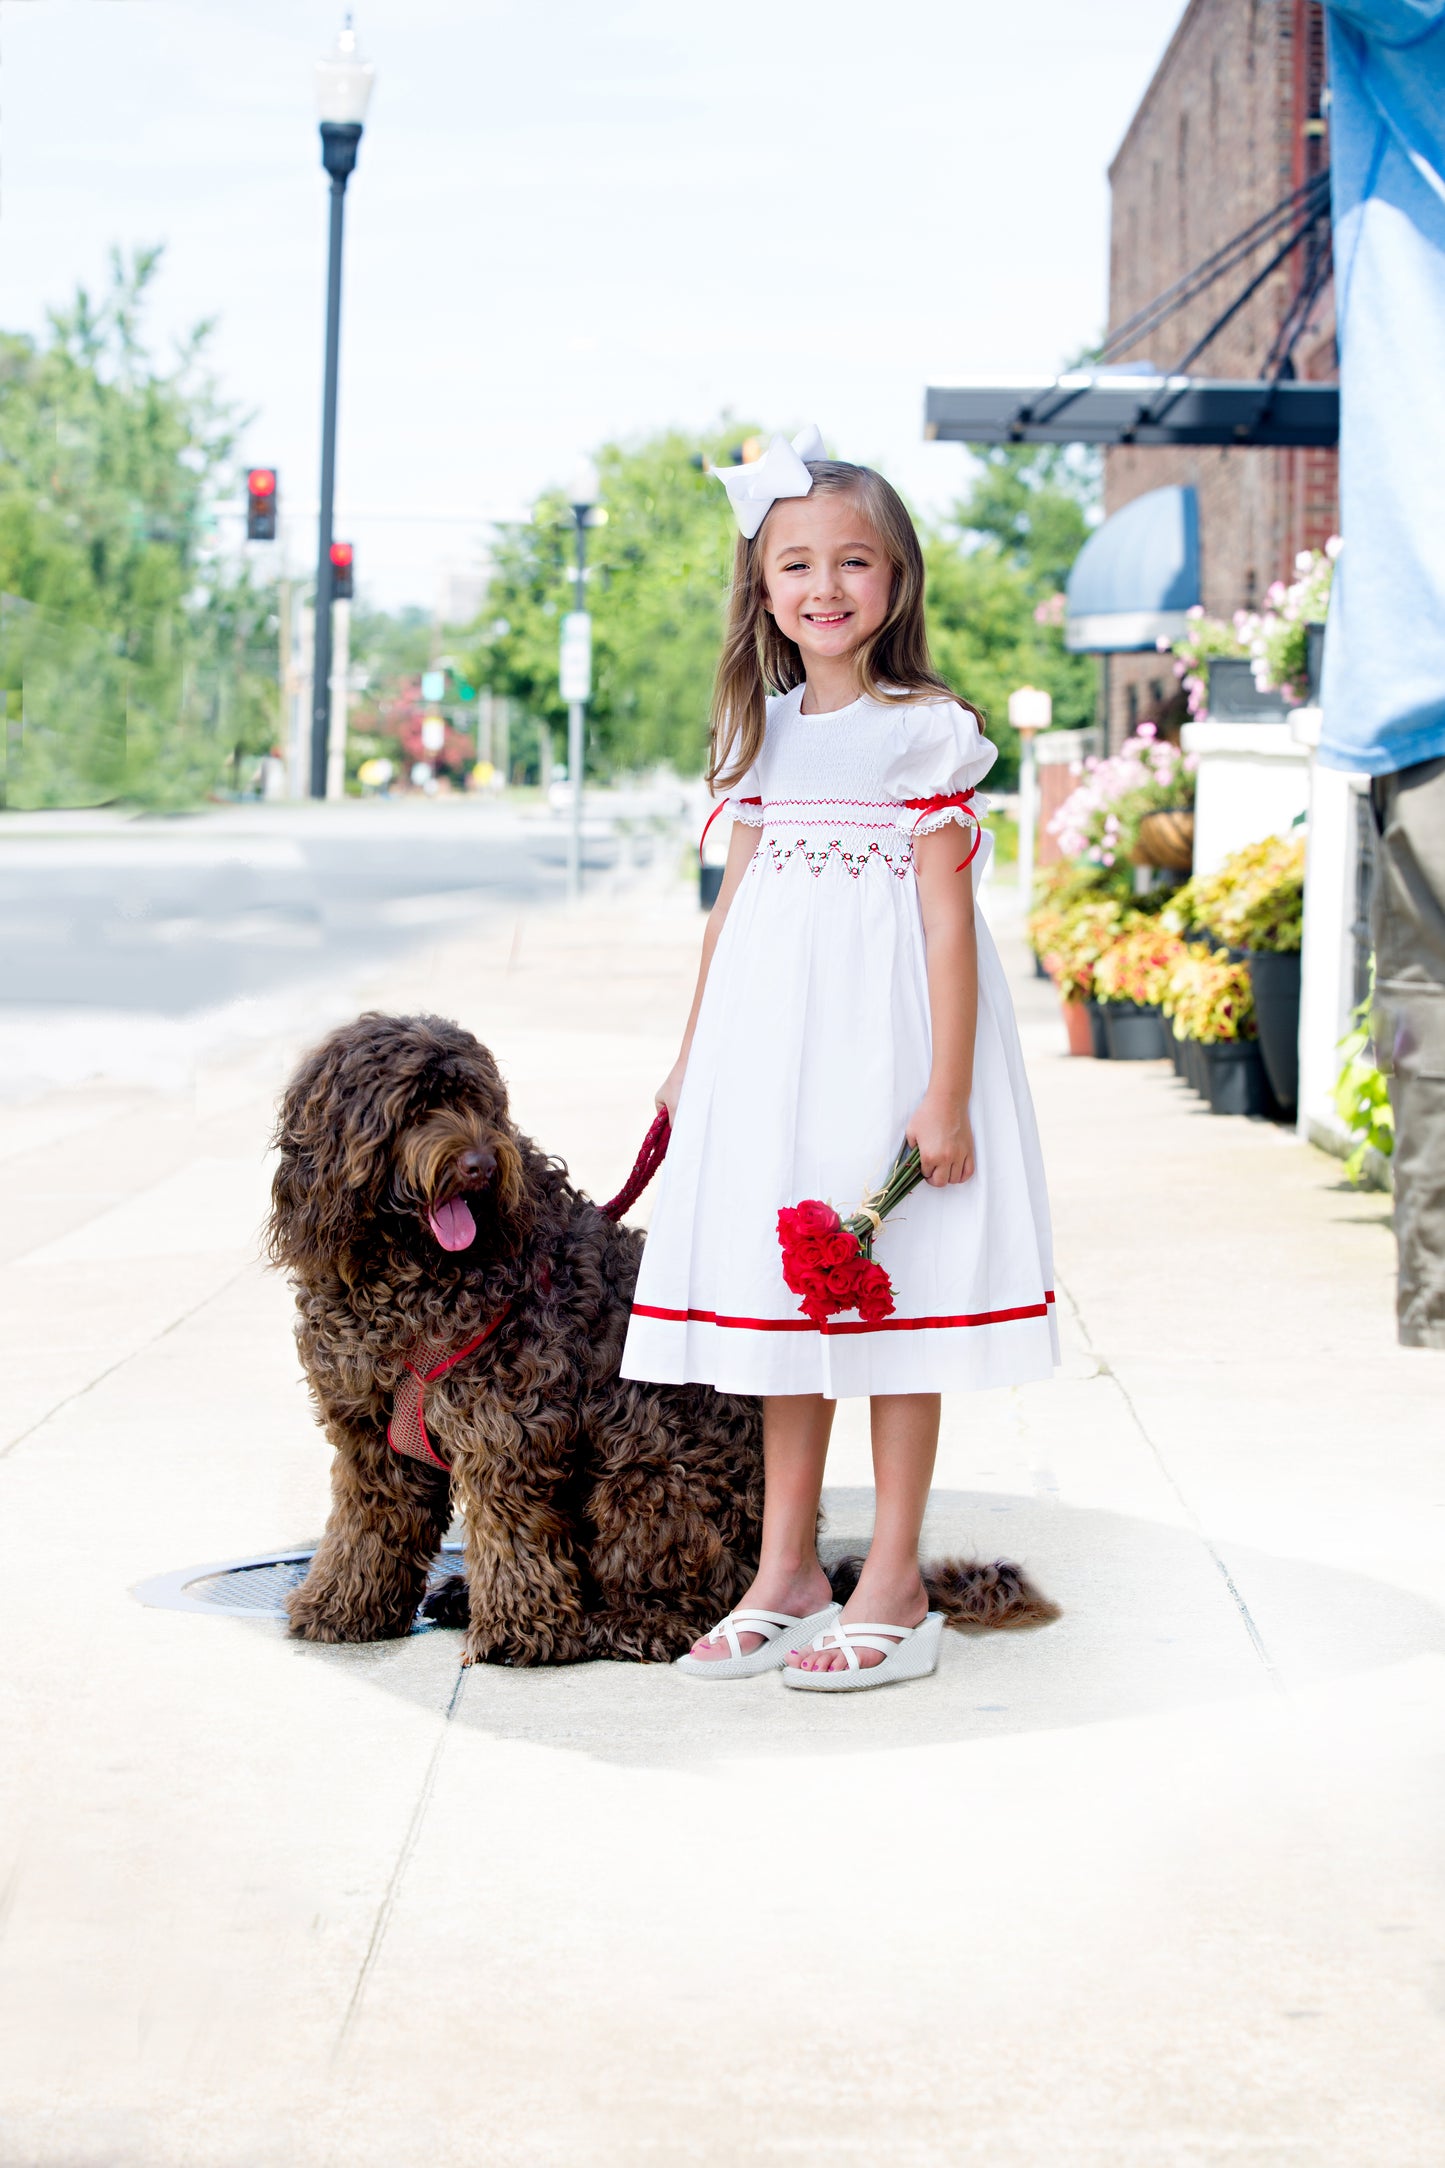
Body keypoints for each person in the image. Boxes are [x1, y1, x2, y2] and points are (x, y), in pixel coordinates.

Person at [618, 430, 1058, 1690]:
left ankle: (896, 1579)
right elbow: (732, 905)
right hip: (771, 1059)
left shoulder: (922, 733)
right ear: (761, 590)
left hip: (885, 1051)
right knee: (779, 1315)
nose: (824, 586)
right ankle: (786, 1569)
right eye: (794, 564)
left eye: (852, 561)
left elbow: (942, 918)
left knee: (891, 1304)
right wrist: (688, 1061)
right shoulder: (758, 730)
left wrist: (944, 1087)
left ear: (895, 580)